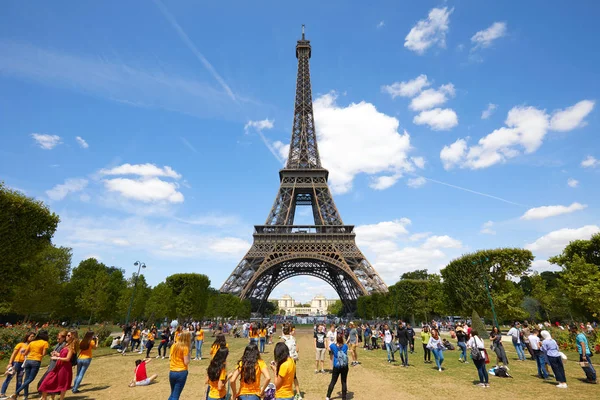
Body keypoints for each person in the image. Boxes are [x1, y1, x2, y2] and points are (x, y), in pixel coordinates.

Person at [37, 330, 79, 400]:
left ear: (72, 337)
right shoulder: (66, 345)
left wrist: (57, 357)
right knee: (46, 382)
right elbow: (63, 355)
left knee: (62, 384)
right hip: (58, 366)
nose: (66, 337)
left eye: (68, 335)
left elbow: (68, 359)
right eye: (67, 335)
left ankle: (61, 398)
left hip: (64, 367)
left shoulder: (71, 347)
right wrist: (57, 354)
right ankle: (44, 398)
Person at [11, 330, 49, 399]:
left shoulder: (32, 342)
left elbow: (25, 353)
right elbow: (44, 354)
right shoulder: (45, 343)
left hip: (28, 361)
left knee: (26, 379)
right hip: (36, 361)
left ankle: (25, 396)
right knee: (31, 379)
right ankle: (16, 392)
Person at [1, 332, 34, 398]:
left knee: (19, 379)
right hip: (16, 363)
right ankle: (2, 393)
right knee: (9, 378)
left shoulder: (32, 346)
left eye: (33, 336)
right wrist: (10, 363)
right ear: (27, 337)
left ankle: (17, 393)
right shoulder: (20, 344)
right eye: (31, 336)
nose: (32, 338)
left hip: (23, 364)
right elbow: (14, 353)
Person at [168, 331, 191, 400]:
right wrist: (189, 356)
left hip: (172, 371)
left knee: (173, 393)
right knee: (175, 395)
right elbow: (186, 362)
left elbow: (170, 358)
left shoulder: (174, 345)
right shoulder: (185, 347)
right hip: (181, 371)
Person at [326, 332, 348, 400]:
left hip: (336, 366)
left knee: (333, 381)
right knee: (344, 381)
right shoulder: (345, 346)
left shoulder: (333, 346)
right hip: (344, 366)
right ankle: (344, 397)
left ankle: (328, 396)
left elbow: (328, 349)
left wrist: (328, 341)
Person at [279, 324, 300, 396]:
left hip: (285, 360)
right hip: (293, 359)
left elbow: (279, 351)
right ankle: (298, 393)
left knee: (283, 375)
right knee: (294, 376)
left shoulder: (282, 339)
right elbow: (297, 349)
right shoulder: (293, 338)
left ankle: (285, 391)